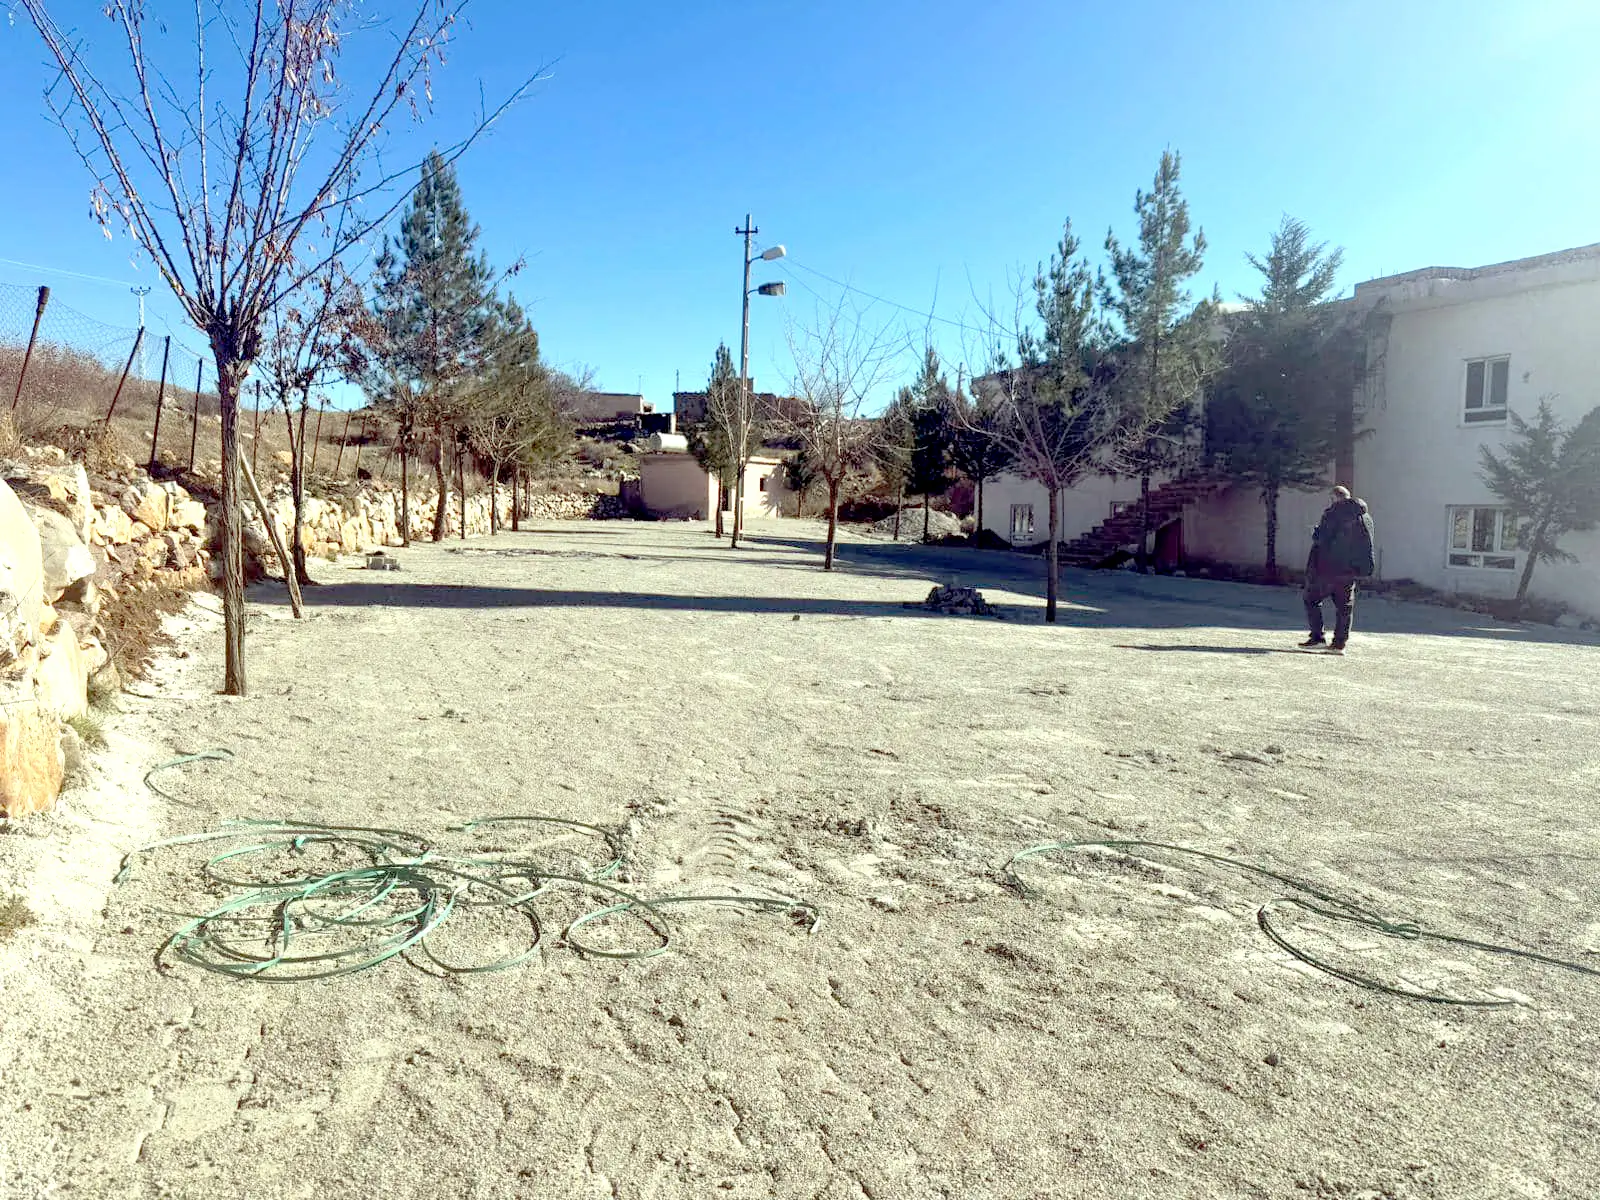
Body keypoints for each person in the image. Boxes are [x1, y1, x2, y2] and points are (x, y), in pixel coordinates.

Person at [1301, 485, 1376, 655]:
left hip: (1328, 567)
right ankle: (1339, 645)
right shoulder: (1366, 517)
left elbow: (1322, 538)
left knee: (1311, 599)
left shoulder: (1333, 513)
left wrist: (1315, 532)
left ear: (1335, 498)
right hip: (1350, 570)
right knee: (1345, 607)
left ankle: (1317, 637)